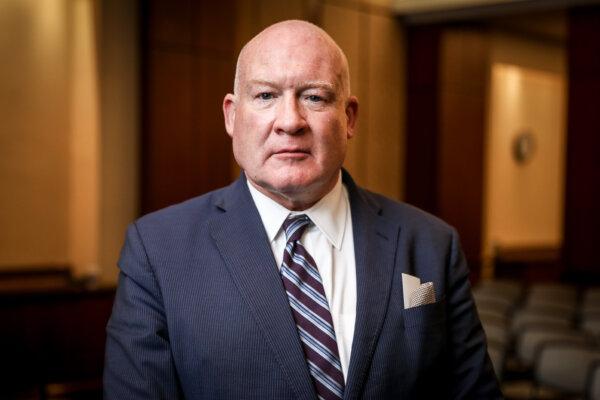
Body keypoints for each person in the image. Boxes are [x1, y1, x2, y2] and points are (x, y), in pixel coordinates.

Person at [104, 20, 501, 399]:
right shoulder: (157, 251)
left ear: (348, 117)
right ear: (231, 115)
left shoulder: (432, 244)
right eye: (265, 96)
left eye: (314, 96)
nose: (290, 122)